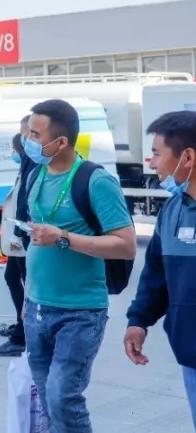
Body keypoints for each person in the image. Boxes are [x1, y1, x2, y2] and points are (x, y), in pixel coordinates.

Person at [23, 98, 137, 432]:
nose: (27, 140)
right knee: (47, 400)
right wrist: (28, 296)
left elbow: (126, 245)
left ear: (61, 142)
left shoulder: (96, 181)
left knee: (63, 397)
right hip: (36, 307)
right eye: (28, 132)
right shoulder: (36, 174)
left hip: (80, 311)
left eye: (35, 135)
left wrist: (63, 237)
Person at [123, 110, 196, 427]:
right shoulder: (172, 211)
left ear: (187, 157)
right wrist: (139, 320)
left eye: (156, 153)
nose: (152, 164)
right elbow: (156, 275)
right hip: (191, 356)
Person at [0, 130, 30, 357]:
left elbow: (23, 207)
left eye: (15, 148)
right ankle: (21, 326)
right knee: (11, 277)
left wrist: (17, 236)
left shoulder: (32, 168)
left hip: (22, 238)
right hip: (18, 237)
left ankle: (22, 336)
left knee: (25, 283)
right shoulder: (24, 168)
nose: (13, 152)